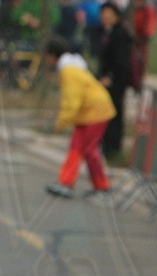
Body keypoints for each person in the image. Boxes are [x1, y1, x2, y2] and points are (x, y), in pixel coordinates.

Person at [43, 36, 115, 201]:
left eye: (47, 56)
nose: (46, 60)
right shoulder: (72, 66)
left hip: (95, 112)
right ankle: (66, 182)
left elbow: (72, 100)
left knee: (89, 150)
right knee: (76, 148)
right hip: (88, 112)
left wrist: (62, 121)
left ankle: (102, 187)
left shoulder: (68, 71)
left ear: (53, 55)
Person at [97, 2, 132, 160]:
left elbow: (121, 61)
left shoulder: (120, 34)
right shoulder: (107, 32)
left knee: (113, 115)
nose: (106, 17)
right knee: (107, 115)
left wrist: (109, 77)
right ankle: (107, 148)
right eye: (103, 15)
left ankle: (112, 149)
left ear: (116, 16)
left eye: (109, 15)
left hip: (116, 82)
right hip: (108, 80)